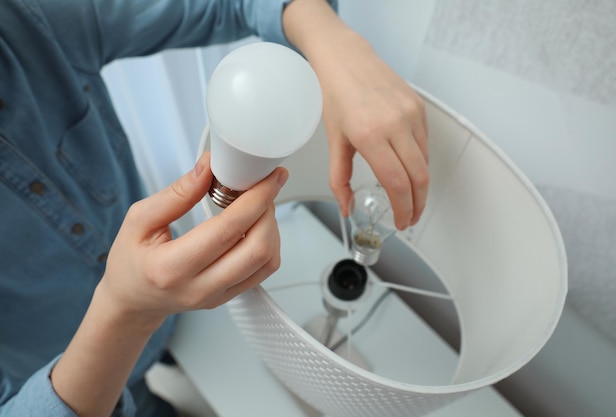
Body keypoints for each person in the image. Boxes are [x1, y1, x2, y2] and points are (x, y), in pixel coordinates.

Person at [0, 0, 428, 416]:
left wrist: (335, 45)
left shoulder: (27, 19)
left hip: (179, 322)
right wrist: (125, 311)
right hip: (69, 384)